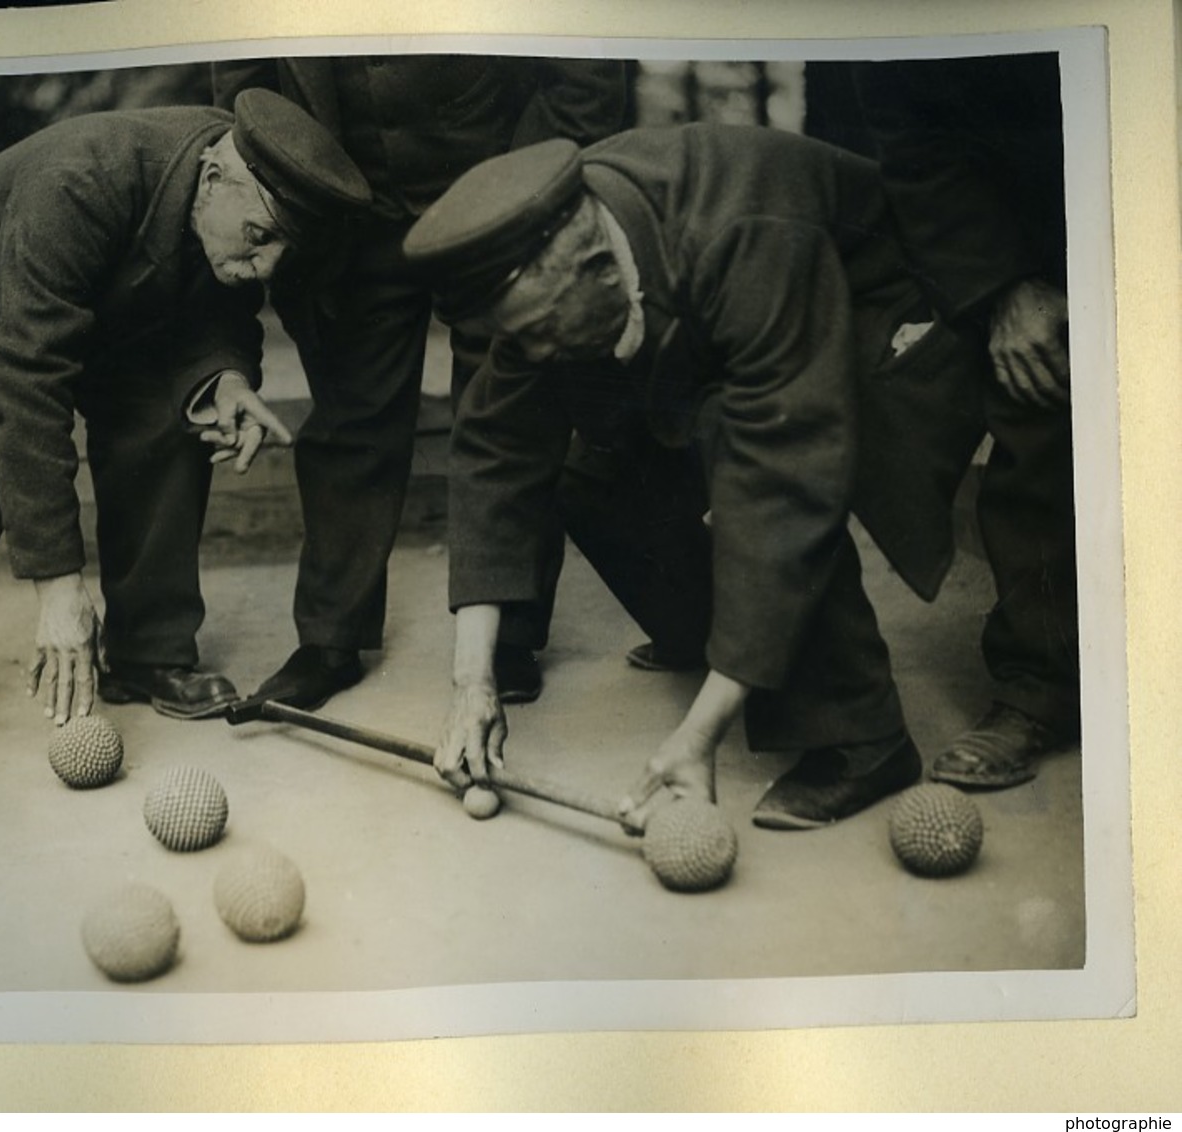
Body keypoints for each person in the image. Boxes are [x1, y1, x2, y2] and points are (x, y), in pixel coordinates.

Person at [405, 128, 989, 829]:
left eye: (541, 333)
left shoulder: (749, 231)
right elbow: (493, 449)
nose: (534, 353)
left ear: (597, 265)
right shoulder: (547, 260)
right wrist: (473, 683)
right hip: (713, 315)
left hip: (884, 312)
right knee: (586, 460)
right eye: (521, 338)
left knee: (742, 467)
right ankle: (711, 636)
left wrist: (697, 736)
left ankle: (864, 738)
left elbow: (783, 486)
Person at [0, 90, 371, 763]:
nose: (266, 264)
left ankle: (147, 654)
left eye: (283, 250)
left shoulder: (236, 173)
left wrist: (224, 378)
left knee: (175, 414)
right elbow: (22, 376)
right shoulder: (83, 178)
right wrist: (59, 590)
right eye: (260, 238)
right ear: (210, 178)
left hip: (85, 305)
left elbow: (219, 300)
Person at [212, 55, 631, 710]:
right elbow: (244, 70)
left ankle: (509, 634)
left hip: (492, 190)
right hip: (349, 213)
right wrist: (299, 180)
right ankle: (329, 637)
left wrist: (520, 183)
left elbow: (586, 74)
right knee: (350, 417)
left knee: (511, 414)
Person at [853, 55, 1080, 790]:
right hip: (1026, 229)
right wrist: (1005, 286)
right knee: (1038, 395)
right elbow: (918, 142)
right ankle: (1038, 686)